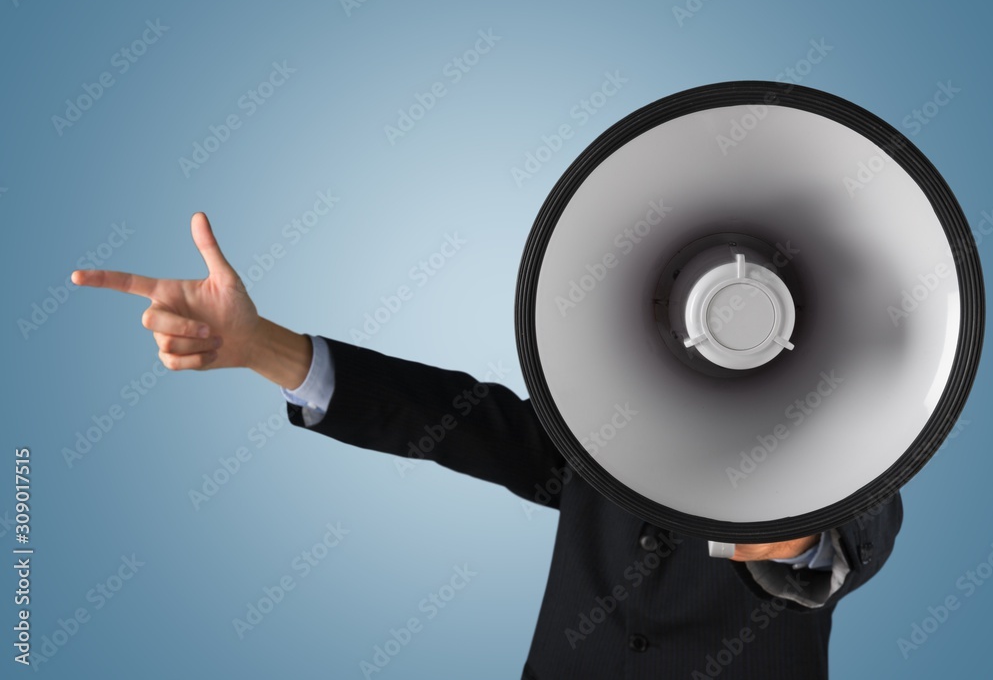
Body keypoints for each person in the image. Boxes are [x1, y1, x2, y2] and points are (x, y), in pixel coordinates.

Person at [72, 212, 903, 679]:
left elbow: (863, 529)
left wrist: (801, 539)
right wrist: (265, 348)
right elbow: (460, 420)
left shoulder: (848, 457)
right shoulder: (604, 431)